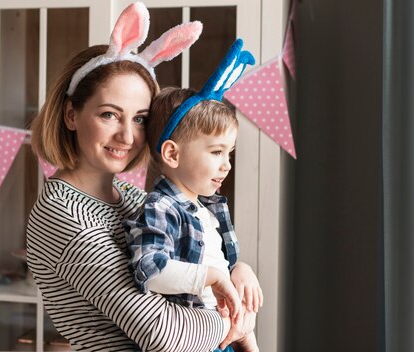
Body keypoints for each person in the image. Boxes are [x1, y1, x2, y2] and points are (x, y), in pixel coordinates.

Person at [26, 3, 252, 351]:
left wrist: (239, 272)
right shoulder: (64, 213)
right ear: (72, 115)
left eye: (140, 119)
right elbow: (161, 332)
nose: (127, 137)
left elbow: (200, 262)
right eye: (109, 115)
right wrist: (235, 317)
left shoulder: (131, 199)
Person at [124, 39, 262, 352]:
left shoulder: (209, 209)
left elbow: (223, 269)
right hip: (190, 340)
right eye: (216, 152)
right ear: (171, 154)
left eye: (229, 152)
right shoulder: (161, 209)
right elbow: (151, 268)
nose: (226, 165)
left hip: (222, 339)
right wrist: (214, 277)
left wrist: (240, 269)